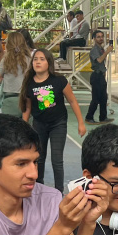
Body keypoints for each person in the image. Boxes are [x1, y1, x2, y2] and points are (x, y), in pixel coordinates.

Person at [20, 48, 88, 192]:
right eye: (35, 59)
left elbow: (73, 101)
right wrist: (23, 129)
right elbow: (27, 109)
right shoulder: (29, 84)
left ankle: (58, 191)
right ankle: (39, 187)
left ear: (49, 63)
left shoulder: (59, 80)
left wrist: (81, 123)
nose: (38, 62)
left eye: (42, 59)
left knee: (57, 159)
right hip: (39, 125)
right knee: (39, 157)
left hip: (58, 123)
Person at [0, 31, 33, 117]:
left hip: (10, 98)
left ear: (8, 44)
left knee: (10, 127)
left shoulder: (5, 60)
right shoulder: (29, 59)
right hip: (26, 97)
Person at [86, 30, 113, 125]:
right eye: (98, 37)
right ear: (94, 39)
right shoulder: (95, 50)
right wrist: (107, 52)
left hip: (101, 76)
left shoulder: (100, 48)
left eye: (102, 36)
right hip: (96, 76)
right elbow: (99, 60)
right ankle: (89, 117)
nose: (101, 38)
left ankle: (103, 117)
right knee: (96, 99)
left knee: (103, 98)